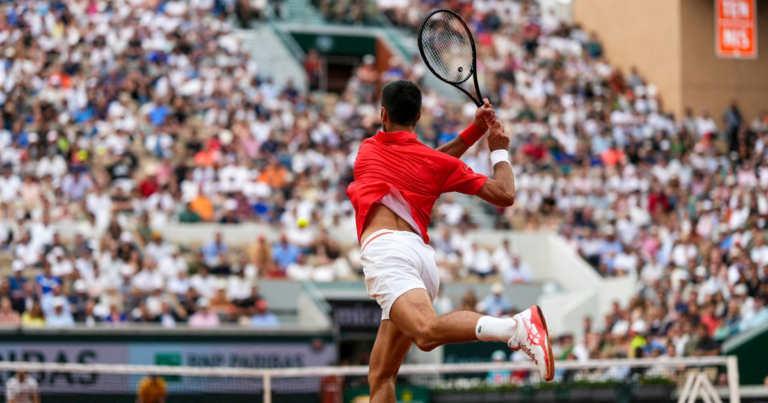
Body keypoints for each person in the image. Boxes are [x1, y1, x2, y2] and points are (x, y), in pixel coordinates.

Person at [346, 80, 553, 402]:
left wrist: (475, 133)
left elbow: (430, 163)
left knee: (426, 333)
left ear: (383, 114)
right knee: (381, 374)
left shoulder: (368, 150)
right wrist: (495, 147)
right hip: (422, 261)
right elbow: (504, 193)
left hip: (388, 252)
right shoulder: (435, 163)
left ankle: (515, 328)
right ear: (418, 116)